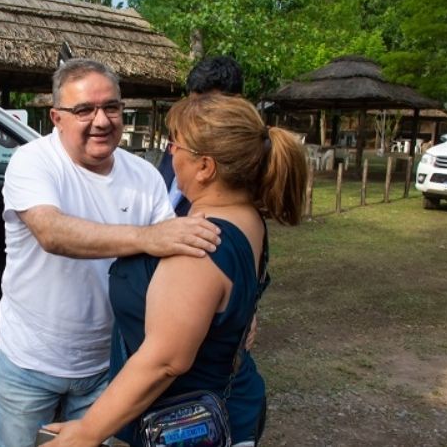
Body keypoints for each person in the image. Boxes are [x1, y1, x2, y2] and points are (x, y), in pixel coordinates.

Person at [44, 93, 308, 446]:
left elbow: (165, 361)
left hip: (187, 424)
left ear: (205, 167)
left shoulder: (198, 245)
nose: (170, 152)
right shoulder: (247, 218)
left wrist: (88, 431)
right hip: (232, 403)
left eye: (176, 144)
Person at [0, 59, 222, 447]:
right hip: (29, 362)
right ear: (56, 117)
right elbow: (52, 232)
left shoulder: (144, 176)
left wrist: (228, 306)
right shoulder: (32, 162)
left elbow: (175, 252)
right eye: (84, 110)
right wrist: (147, 237)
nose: (101, 120)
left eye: (111, 107)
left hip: (109, 363)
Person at [159, 55, 244, 216]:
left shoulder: (241, 163)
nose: (197, 114)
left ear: (236, 103)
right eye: (193, 104)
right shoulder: (177, 143)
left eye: (208, 107)